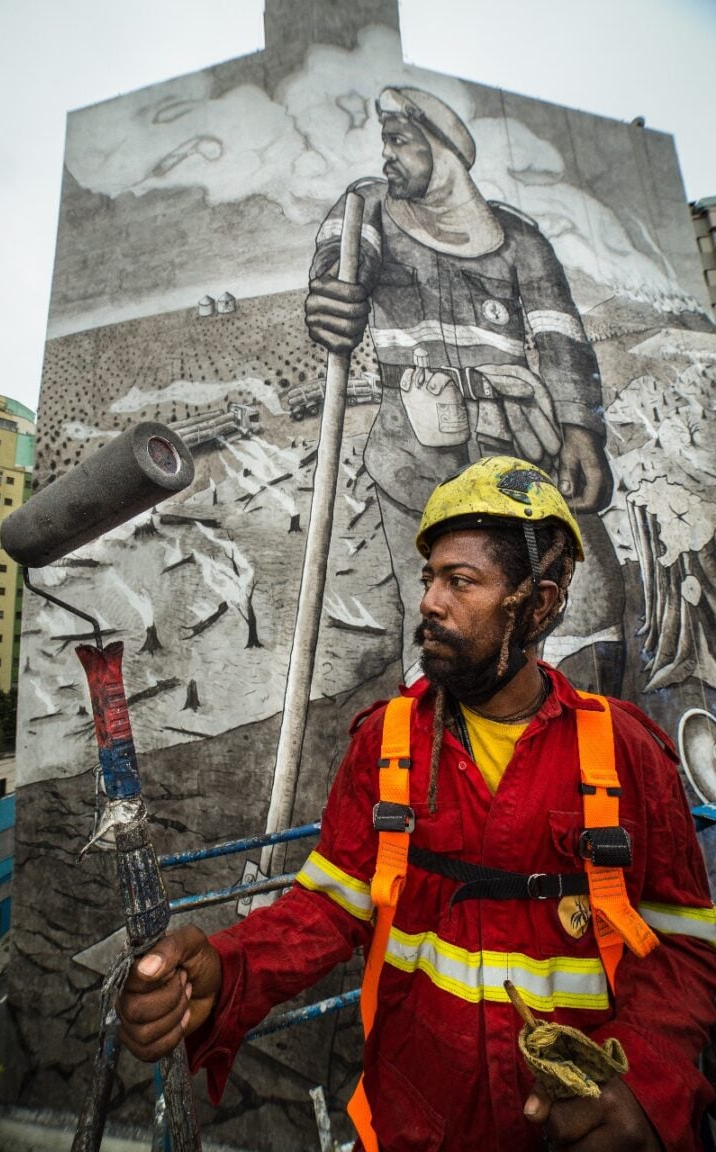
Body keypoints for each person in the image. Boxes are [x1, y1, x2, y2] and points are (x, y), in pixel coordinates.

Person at [117, 456, 716, 1151]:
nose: (430, 600)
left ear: (540, 605)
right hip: (413, 1126)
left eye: (461, 581)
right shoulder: (387, 742)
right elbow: (328, 907)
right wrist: (226, 968)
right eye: (430, 576)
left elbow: (686, 946)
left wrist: (643, 1084)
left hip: (572, 1133)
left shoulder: (624, 753)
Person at [305, 85, 626, 694]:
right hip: (415, 456)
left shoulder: (519, 238)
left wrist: (582, 431)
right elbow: (338, 276)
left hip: (520, 452)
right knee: (439, 620)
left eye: (399, 142)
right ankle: (440, 768)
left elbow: (562, 337)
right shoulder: (368, 210)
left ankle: (582, 751)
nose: (387, 157)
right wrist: (332, 305)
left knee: (585, 602)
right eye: (384, 143)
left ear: (442, 148)